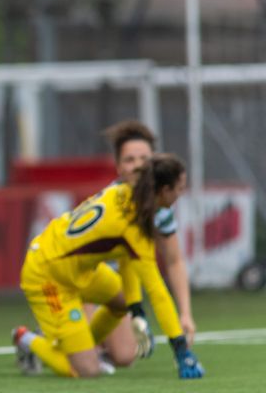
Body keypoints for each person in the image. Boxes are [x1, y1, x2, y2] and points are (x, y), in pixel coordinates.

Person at [12, 154, 204, 379]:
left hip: (77, 269)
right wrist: (181, 349)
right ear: (163, 190)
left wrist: (136, 309)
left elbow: (126, 256)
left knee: (122, 300)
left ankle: (84, 349)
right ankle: (26, 338)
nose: (181, 193)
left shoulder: (124, 191)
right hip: (47, 276)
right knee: (85, 371)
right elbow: (157, 292)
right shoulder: (134, 226)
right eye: (179, 188)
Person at [91, 121, 197, 368]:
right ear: (118, 166)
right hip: (87, 282)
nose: (138, 165)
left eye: (144, 158)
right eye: (129, 160)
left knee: (124, 356)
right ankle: (42, 338)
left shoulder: (158, 206)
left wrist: (185, 314)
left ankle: (89, 339)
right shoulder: (113, 201)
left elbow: (174, 260)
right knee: (84, 357)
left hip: (121, 293)